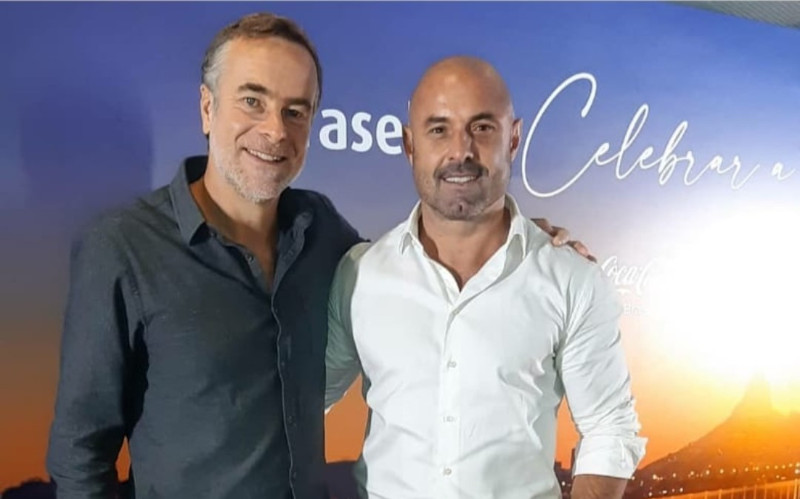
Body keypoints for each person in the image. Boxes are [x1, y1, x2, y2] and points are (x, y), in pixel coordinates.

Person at [46, 13, 587, 499]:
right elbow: (79, 457)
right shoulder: (122, 248)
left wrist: (506, 235)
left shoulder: (321, 229)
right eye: (252, 101)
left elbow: (411, 266)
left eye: (295, 111)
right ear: (207, 108)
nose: (274, 130)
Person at [325, 56, 646, 499]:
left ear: (513, 138)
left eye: (481, 127)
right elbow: (303, 403)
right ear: (409, 144)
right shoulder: (359, 275)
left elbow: (609, 428)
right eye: (439, 129)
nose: (461, 151)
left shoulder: (571, 279)